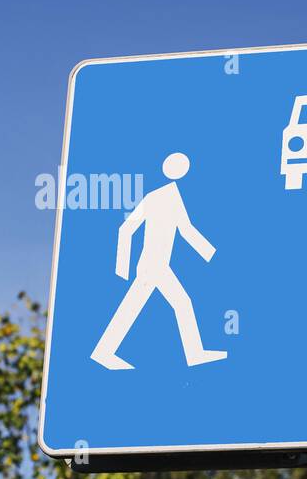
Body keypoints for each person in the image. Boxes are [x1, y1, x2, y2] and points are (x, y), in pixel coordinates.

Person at [91, 152, 227, 370]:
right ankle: (194, 354)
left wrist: (211, 254)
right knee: (179, 303)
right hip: (152, 265)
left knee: (159, 304)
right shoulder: (165, 197)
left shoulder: (166, 196)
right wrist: (121, 268)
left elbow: (185, 230)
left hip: (157, 265)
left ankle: (104, 352)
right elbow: (126, 229)